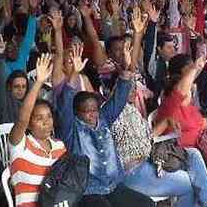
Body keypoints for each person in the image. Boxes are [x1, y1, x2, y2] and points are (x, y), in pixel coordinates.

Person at [56, 42, 153, 207]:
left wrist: (128, 66)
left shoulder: (104, 118)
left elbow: (120, 97)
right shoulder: (71, 129)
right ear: (77, 113)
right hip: (88, 190)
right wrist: (74, 73)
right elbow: (65, 104)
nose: (92, 115)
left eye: (94, 110)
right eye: (86, 111)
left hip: (113, 185)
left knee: (147, 204)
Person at [156, 54, 207, 204]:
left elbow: (199, 122)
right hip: (177, 155)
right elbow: (180, 91)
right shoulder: (169, 107)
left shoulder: (190, 109)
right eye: (187, 89)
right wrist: (195, 68)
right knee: (198, 159)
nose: (190, 91)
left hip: (198, 150)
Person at [7, 53, 67, 206]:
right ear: (29, 124)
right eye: (39, 118)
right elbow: (22, 118)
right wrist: (39, 82)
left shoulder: (60, 147)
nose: (46, 122)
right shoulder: (20, 145)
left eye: (48, 117)